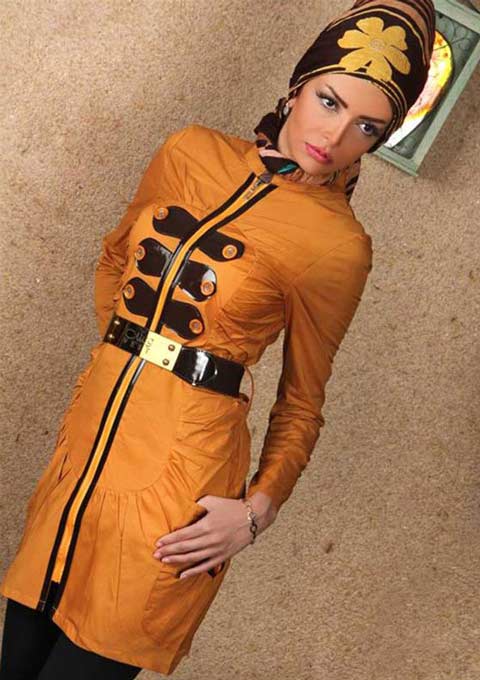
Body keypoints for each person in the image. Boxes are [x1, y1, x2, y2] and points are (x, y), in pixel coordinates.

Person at [0, 0, 436, 677]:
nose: (335, 135)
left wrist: (256, 513)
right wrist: (129, 357)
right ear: (298, 86)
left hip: (179, 488)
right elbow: (117, 256)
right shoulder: (189, 152)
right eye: (328, 101)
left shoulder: (338, 246)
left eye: (366, 127)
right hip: (83, 457)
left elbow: (302, 404)